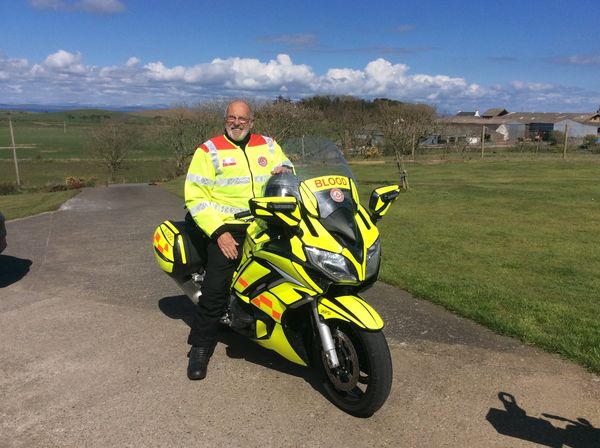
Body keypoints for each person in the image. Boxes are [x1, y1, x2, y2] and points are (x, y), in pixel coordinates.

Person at [184, 100, 293, 380]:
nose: (236, 123)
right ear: (225, 120)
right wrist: (219, 233)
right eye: (231, 118)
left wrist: (286, 171)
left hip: (267, 221)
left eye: (242, 118)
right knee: (216, 286)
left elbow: (287, 167)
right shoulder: (209, 150)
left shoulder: (268, 145)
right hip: (227, 227)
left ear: (251, 121)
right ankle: (200, 345)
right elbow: (196, 198)